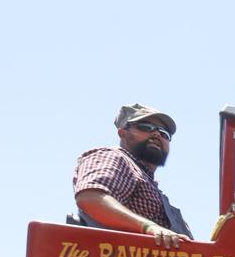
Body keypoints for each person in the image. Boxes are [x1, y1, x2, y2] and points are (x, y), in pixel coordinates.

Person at [72, 103, 192, 248]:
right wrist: (150, 227)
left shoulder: (155, 189)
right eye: (146, 127)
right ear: (122, 133)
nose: (156, 134)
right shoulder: (116, 157)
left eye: (164, 133)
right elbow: (91, 198)